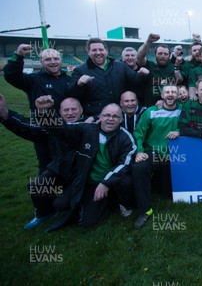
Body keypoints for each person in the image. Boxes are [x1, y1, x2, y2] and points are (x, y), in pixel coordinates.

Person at [35, 100, 136, 231]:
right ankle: (92, 201)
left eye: (115, 116)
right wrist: (45, 112)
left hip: (109, 182)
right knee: (60, 205)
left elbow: (125, 163)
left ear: (121, 119)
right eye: (107, 115)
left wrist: (106, 183)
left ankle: (113, 201)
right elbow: (61, 129)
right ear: (100, 117)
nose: (110, 119)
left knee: (88, 221)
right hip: (86, 182)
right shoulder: (86, 129)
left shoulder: (125, 137)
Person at [0, 95, 85, 229]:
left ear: (81, 110)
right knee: (37, 186)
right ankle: (44, 213)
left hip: (82, 175)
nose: (70, 113)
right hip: (60, 171)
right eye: (66, 110)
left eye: (73, 109)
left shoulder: (90, 126)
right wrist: (4, 113)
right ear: (60, 113)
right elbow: (27, 126)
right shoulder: (52, 128)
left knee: (62, 204)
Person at [4, 45, 74, 172]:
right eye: (48, 59)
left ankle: (69, 190)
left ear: (61, 60)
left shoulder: (70, 80)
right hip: (44, 130)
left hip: (67, 129)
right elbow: (11, 75)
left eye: (55, 58)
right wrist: (18, 55)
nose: (53, 62)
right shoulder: (33, 80)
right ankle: (47, 191)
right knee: (47, 165)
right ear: (41, 62)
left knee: (69, 163)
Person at [131, 84, 182, 229]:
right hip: (154, 153)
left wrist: (179, 130)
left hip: (177, 154)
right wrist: (139, 151)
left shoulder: (184, 110)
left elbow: (191, 125)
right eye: (167, 92)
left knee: (166, 192)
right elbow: (138, 134)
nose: (170, 94)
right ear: (162, 95)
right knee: (139, 168)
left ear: (178, 95)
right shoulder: (151, 111)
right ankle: (145, 210)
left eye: (173, 92)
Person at [69, 38, 143, 117]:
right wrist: (78, 84)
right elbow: (71, 94)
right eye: (94, 50)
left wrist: (142, 74)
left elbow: (136, 81)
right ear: (88, 52)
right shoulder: (80, 70)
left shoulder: (120, 65)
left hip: (119, 114)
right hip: (96, 117)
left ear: (106, 51)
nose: (98, 52)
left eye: (101, 49)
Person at [136, 34, 183, 106]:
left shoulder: (174, 67)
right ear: (155, 55)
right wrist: (148, 42)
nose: (163, 56)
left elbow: (180, 80)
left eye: (165, 54)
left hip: (171, 109)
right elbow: (139, 57)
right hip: (150, 108)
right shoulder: (150, 66)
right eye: (160, 53)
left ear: (169, 56)